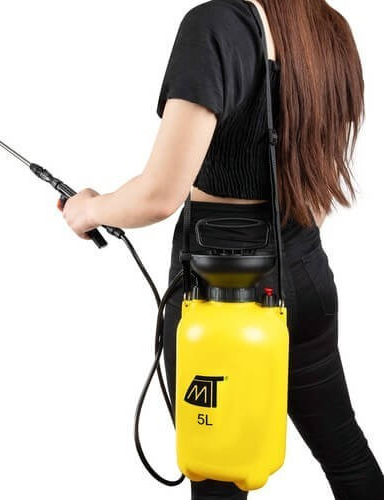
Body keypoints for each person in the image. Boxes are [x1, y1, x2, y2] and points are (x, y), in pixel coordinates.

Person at [59, 0, 384, 498]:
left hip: (218, 293)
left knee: (218, 478)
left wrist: (89, 209)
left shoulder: (215, 25)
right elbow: (315, 190)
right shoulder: (330, 29)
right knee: (346, 454)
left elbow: (160, 194)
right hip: (306, 276)